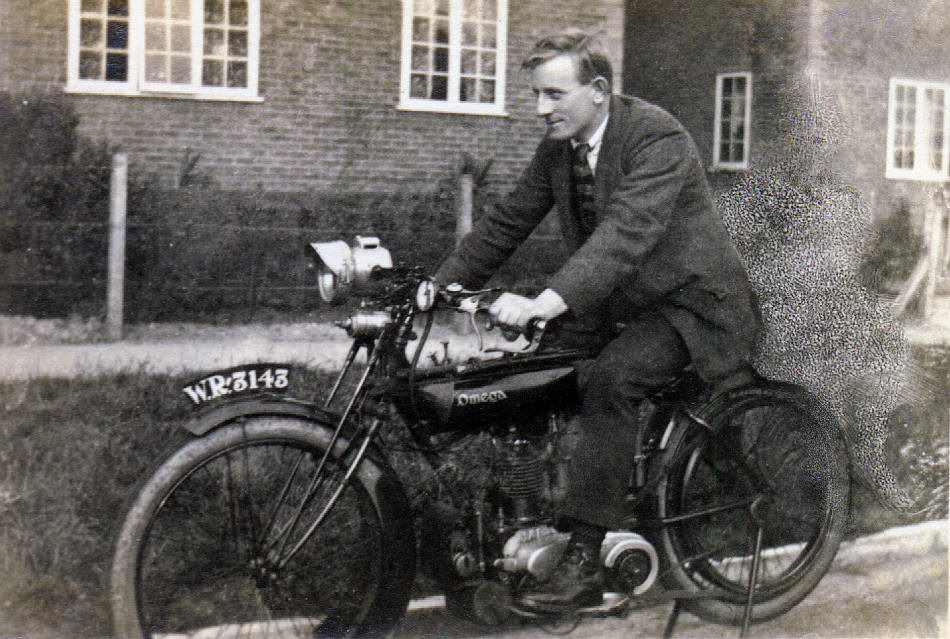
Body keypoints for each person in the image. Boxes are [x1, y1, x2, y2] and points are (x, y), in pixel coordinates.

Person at [434, 28, 760, 612]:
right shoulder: (559, 149)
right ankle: (527, 517)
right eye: (537, 94)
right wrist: (441, 286)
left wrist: (547, 300)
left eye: (553, 95)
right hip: (625, 301)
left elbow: (626, 234)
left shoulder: (656, 136)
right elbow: (509, 221)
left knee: (613, 380)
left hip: (693, 306)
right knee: (525, 368)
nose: (540, 109)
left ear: (600, 91)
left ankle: (585, 558)